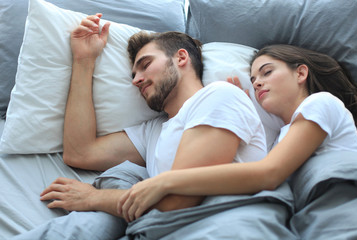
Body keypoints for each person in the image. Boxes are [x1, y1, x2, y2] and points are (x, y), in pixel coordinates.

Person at [12, 13, 273, 239]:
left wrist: (92, 198)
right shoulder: (154, 131)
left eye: (145, 65)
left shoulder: (220, 95)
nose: (137, 80)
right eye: (133, 74)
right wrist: (83, 61)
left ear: (181, 58)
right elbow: (79, 152)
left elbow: (179, 201)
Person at [117, 44, 357, 223]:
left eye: (266, 72)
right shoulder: (279, 139)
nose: (256, 83)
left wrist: (165, 181)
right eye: (253, 78)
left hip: (340, 217)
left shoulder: (321, 103)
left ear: (301, 73)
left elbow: (268, 174)